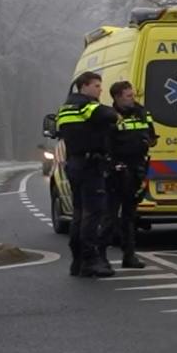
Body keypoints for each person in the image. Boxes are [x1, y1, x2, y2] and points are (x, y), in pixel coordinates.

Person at [55, 71, 117, 278]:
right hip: (91, 165)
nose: (100, 90)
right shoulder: (86, 105)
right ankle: (90, 260)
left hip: (75, 163)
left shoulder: (65, 108)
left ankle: (78, 260)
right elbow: (109, 115)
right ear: (84, 86)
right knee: (93, 213)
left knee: (79, 214)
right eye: (97, 85)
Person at [106, 81, 156, 270]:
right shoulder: (111, 117)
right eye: (128, 96)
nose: (132, 99)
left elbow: (151, 136)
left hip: (137, 168)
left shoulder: (142, 112)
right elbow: (106, 143)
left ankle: (129, 256)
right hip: (117, 169)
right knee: (109, 215)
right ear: (117, 97)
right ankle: (101, 255)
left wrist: (147, 141)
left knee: (130, 216)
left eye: (132, 95)